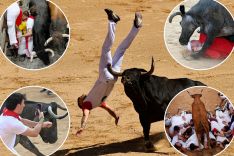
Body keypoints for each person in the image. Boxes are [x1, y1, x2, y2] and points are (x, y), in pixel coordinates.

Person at [76, 9, 142, 136]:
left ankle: (136, 27)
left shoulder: (99, 102)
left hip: (114, 78)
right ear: (81, 103)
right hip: (105, 76)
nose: (81, 96)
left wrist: (116, 116)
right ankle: (113, 21)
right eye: (79, 99)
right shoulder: (86, 105)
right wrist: (82, 127)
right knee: (106, 48)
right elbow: (85, 115)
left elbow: (110, 110)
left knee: (121, 49)